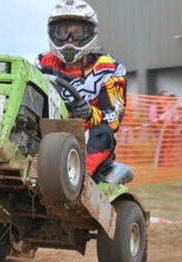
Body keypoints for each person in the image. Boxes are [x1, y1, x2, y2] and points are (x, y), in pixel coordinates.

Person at [36, 0, 128, 178]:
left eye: (77, 32)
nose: (69, 40)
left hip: (87, 139)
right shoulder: (41, 63)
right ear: (53, 32)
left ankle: (80, 176)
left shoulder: (110, 69)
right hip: (48, 136)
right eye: (63, 32)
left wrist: (89, 112)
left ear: (89, 32)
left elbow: (113, 119)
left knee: (104, 132)